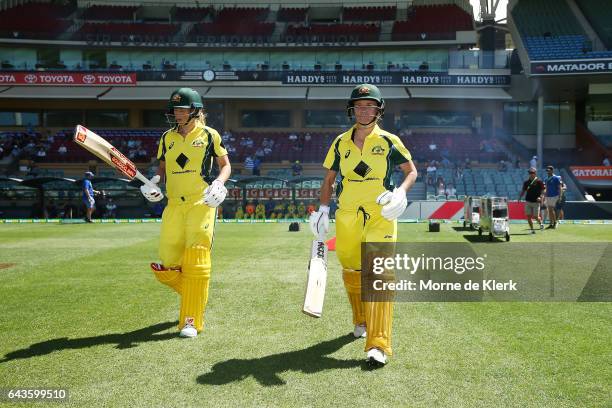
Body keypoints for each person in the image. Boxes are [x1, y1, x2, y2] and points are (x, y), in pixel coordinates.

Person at [309, 84, 417, 367]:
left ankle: (378, 344)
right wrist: (322, 209)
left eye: (370, 106)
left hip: (381, 213)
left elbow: (411, 171)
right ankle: (361, 320)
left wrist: (402, 192)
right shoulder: (340, 142)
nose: (364, 110)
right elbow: (329, 180)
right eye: (359, 106)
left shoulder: (389, 140)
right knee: (352, 268)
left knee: (378, 273)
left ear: (379, 110)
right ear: (352, 110)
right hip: (347, 215)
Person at [140, 88, 231, 338]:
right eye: (175, 109)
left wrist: (220, 183)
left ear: (196, 111)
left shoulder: (209, 135)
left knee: (197, 257)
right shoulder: (166, 138)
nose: (177, 113)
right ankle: (195, 292)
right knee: (168, 264)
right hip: (173, 205)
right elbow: (163, 168)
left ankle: (191, 321)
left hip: (201, 203)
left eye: (182, 109)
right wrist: (154, 183)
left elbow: (226, 165)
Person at [518, 167, 545, 233]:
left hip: (536, 202)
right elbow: (523, 191)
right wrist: (520, 197)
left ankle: (541, 224)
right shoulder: (526, 182)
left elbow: (543, 190)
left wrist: (541, 197)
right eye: (529, 173)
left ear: (535, 173)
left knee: (536, 217)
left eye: (532, 173)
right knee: (528, 217)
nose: (531, 174)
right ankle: (532, 230)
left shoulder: (539, 182)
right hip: (528, 201)